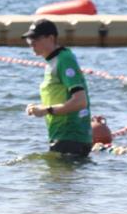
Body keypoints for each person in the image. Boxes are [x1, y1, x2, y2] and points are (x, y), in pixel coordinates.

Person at [23, 18, 93, 158]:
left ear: (51, 38)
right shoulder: (53, 61)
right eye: (29, 39)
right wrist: (39, 108)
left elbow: (80, 101)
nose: (31, 43)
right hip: (63, 136)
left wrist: (46, 110)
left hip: (71, 137)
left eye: (35, 38)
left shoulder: (64, 60)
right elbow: (61, 98)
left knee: (58, 179)